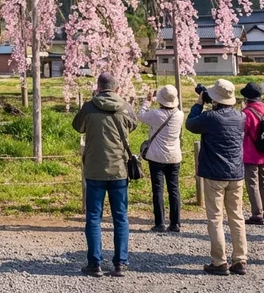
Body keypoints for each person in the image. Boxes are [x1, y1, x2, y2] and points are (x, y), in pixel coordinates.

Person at [72, 72, 137, 279]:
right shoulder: (125, 107)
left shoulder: (89, 107)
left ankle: (95, 263)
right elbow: (133, 126)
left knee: (93, 217)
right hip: (119, 170)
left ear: (98, 87)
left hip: (94, 170)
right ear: (117, 88)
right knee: (121, 217)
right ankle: (120, 263)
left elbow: (77, 127)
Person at [186, 78, 247, 276]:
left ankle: (219, 261)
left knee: (215, 218)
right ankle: (240, 259)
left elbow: (190, 124)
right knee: (236, 216)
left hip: (215, 173)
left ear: (215, 99)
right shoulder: (241, 116)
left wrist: (199, 103)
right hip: (236, 173)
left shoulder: (210, 117)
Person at [137, 84, 183, 233]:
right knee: (174, 190)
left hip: (156, 157)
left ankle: (160, 223)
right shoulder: (179, 115)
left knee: (158, 190)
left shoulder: (155, 114)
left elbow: (140, 115)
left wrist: (148, 101)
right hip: (174, 156)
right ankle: (175, 223)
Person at [240, 82, 264, 225]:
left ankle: (257, 214)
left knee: (252, 184)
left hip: (251, 153)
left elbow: (243, 132)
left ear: (247, 98)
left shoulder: (247, 113)